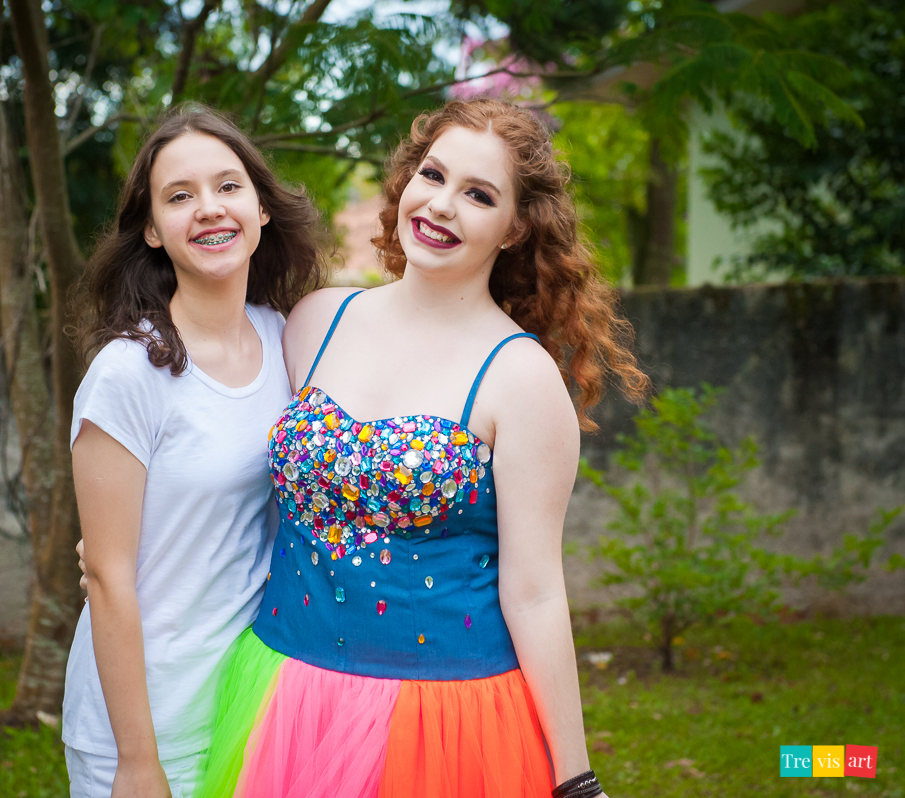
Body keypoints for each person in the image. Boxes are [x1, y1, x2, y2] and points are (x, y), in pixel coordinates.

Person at [193, 98, 649, 798]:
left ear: (515, 227)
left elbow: (534, 592)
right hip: (283, 700)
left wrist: (576, 778)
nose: (441, 205)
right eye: (433, 175)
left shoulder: (521, 379)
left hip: (443, 725)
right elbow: (236, 471)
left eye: (478, 194)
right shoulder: (315, 322)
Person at [63, 106, 326, 798]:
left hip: (255, 702)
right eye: (179, 196)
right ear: (152, 229)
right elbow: (109, 579)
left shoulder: (292, 343)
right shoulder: (128, 374)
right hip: (147, 723)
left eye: (228, 186)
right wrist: (137, 762)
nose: (209, 209)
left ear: (262, 208)